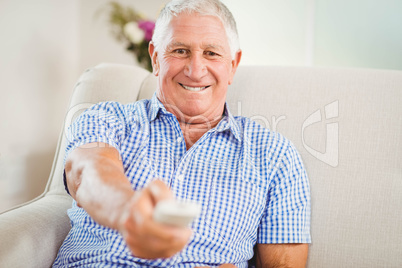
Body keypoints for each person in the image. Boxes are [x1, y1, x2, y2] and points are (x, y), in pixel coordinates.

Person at [53, 0, 311, 267]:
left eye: (211, 53)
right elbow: (88, 172)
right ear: (155, 58)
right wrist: (127, 211)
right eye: (180, 51)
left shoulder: (274, 155)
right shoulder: (107, 119)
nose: (195, 70)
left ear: (233, 65)